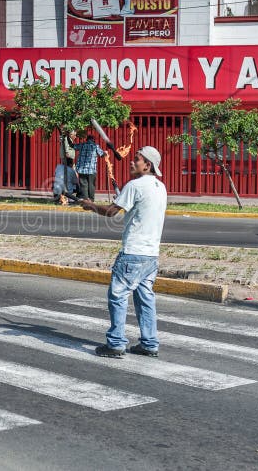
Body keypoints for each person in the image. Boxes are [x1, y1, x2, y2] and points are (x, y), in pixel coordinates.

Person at [81, 146, 167, 358]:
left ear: (147, 165)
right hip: (151, 255)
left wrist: (90, 205)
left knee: (118, 295)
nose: (131, 162)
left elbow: (111, 212)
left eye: (136, 159)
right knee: (145, 298)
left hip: (133, 253)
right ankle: (149, 343)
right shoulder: (160, 187)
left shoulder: (135, 185)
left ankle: (116, 343)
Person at [73, 132, 106, 201]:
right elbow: (102, 155)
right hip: (91, 170)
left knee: (83, 185)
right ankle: (91, 199)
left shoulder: (82, 145)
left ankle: (85, 199)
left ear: (87, 139)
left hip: (82, 169)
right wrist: (105, 153)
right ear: (93, 140)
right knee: (91, 185)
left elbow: (74, 146)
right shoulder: (95, 146)